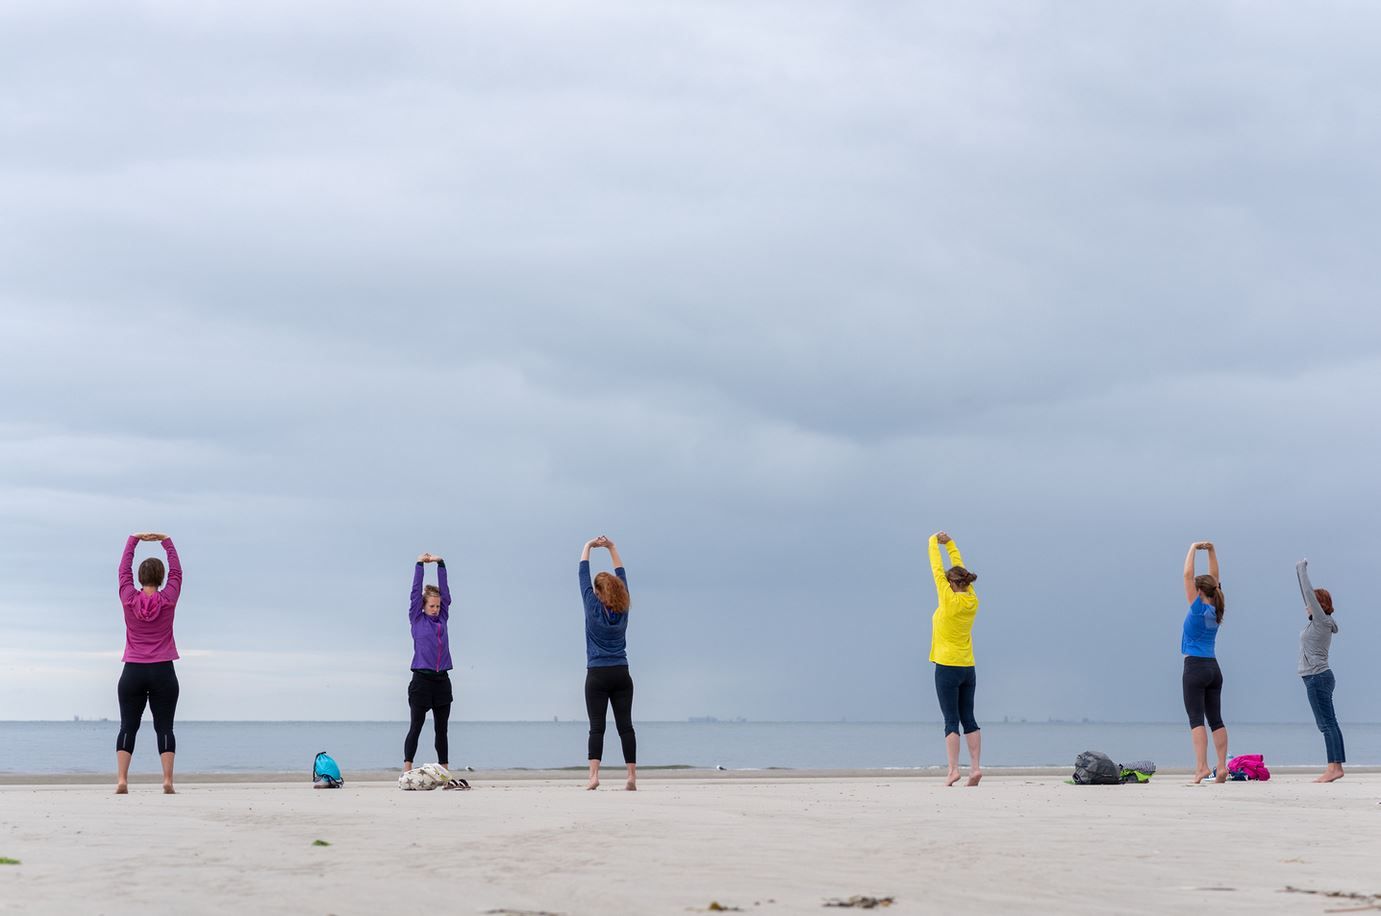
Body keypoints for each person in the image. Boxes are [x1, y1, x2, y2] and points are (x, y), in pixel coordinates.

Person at [116, 532, 183, 795]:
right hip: (163, 669)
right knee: (164, 727)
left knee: (127, 727)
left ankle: (122, 779)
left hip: (132, 669)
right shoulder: (168, 599)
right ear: (162, 578)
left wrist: (133, 540)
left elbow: (123, 570)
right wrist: (166, 541)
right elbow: (177, 571)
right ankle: (167, 779)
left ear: (140, 578)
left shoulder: (128, 598)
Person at [580, 535, 635, 791]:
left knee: (597, 728)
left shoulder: (592, 605)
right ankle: (631, 776)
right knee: (625, 726)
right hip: (621, 673)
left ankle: (593, 776)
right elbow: (621, 574)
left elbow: (582, 574)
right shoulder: (623, 606)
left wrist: (588, 546)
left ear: (598, 592)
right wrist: (612, 546)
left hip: (598, 674)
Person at [928, 531, 981, 787]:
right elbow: (957, 570)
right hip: (968, 668)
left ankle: (952, 770)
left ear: (951, 584)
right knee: (968, 718)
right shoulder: (972, 600)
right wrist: (950, 544)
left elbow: (937, 568)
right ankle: (975, 769)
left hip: (947, 667)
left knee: (951, 720)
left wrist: (932, 541)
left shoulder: (948, 600)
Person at [1181, 541, 1227, 784]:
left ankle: (1201, 767)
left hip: (1195, 668)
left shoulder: (1198, 609)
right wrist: (1211, 551)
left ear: (1199, 591)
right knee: (1216, 719)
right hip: (1213, 668)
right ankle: (1221, 767)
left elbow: (1188, 574)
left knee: (1196, 719)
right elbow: (1215, 578)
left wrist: (1192, 548)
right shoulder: (1216, 608)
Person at [403, 553, 453, 773]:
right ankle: (407, 768)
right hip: (421, 680)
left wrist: (441, 565)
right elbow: (415, 593)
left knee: (441, 730)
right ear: (423, 606)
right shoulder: (416, 618)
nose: (435, 609)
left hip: (442, 680)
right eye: (432, 606)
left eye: (438, 606)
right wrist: (420, 565)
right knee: (416, 726)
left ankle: (444, 771)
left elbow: (446, 594)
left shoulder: (443, 618)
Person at [1297, 559, 1344, 783]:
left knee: (1326, 724)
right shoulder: (1320, 623)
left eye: (1310, 603)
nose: (1306, 605)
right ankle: (1336, 767)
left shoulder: (1320, 621)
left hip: (1317, 677)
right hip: (1319, 677)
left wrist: (1301, 569)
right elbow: (1306, 595)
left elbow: (1307, 593)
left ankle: (1333, 768)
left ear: (1318, 605)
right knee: (1329, 722)